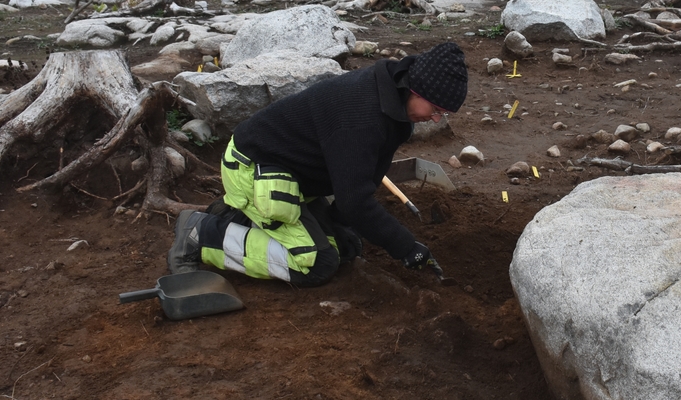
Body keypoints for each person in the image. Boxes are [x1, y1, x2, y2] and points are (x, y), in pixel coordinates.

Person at [167, 42, 468, 288]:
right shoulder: (363, 116)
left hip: (293, 174)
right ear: (415, 88)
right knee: (316, 263)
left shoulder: (394, 109)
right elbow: (354, 201)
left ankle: (239, 216)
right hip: (252, 166)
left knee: (347, 246)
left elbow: (366, 179)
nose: (436, 119)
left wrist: (337, 223)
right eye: (436, 109)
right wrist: (406, 247)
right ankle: (201, 233)